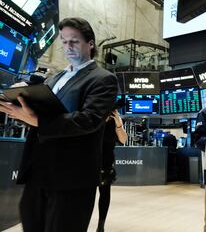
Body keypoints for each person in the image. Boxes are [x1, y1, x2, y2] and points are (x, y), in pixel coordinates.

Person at [0, 17, 118, 232]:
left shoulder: (103, 79)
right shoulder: (56, 77)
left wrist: (35, 120)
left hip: (71, 177)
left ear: (90, 44)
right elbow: (46, 111)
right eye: (64, 42)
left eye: (74, 41)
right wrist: (19, 102)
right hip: (39, 171)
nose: (68, 47)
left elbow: (87, 120)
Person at [97, 105, 128, 232]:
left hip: (107, 163)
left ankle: (101, 226)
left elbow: (123, 139)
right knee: (85, 194)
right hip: (90, 162)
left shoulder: (114, 123)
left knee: (104, 194)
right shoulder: (93, 117)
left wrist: (119, 125)